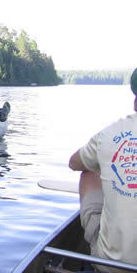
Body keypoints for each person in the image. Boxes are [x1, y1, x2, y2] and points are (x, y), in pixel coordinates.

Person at [68, 67, 137, 273]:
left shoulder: (109, 134)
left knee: (89, 172)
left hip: (112, 265)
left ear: (135, 101)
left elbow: (74, 163)